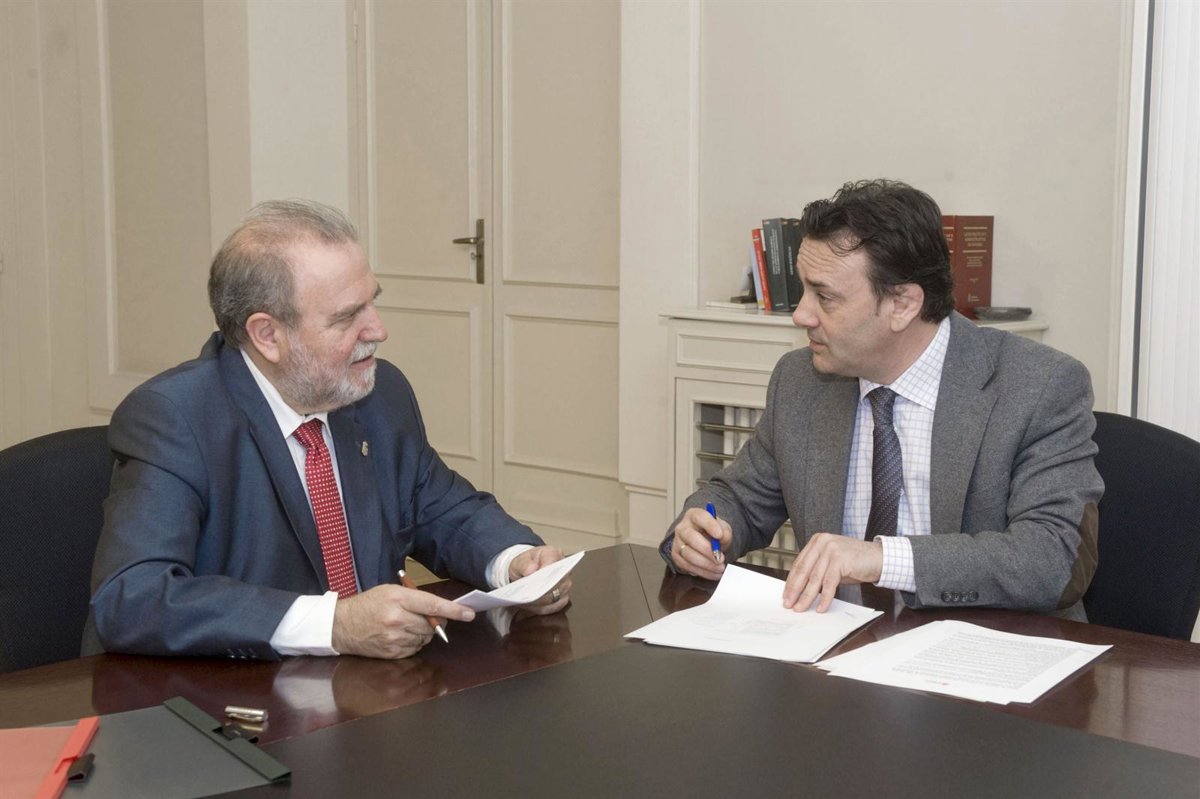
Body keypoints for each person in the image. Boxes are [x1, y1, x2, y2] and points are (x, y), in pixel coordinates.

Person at [85, 199, 571, 660]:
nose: (378, 330)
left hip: (373, 689)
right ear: (268, 335)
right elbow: (133, 597)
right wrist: (334, 623)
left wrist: (515, 563)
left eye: (371, 303)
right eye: (347, 317)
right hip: (232, 696)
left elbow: (443, 509)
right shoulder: (176, 418)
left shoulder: (379, 394)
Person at [663, 179, 1101, 619]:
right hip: (838, 644)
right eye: (803, 290)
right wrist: (701, 531)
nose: (800, 315)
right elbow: (739, 498)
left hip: (987, 650)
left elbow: (1053, 558)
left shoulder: (1038, 386)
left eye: (824, 296)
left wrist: (882, 559)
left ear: (903, 304)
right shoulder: (801, 381)